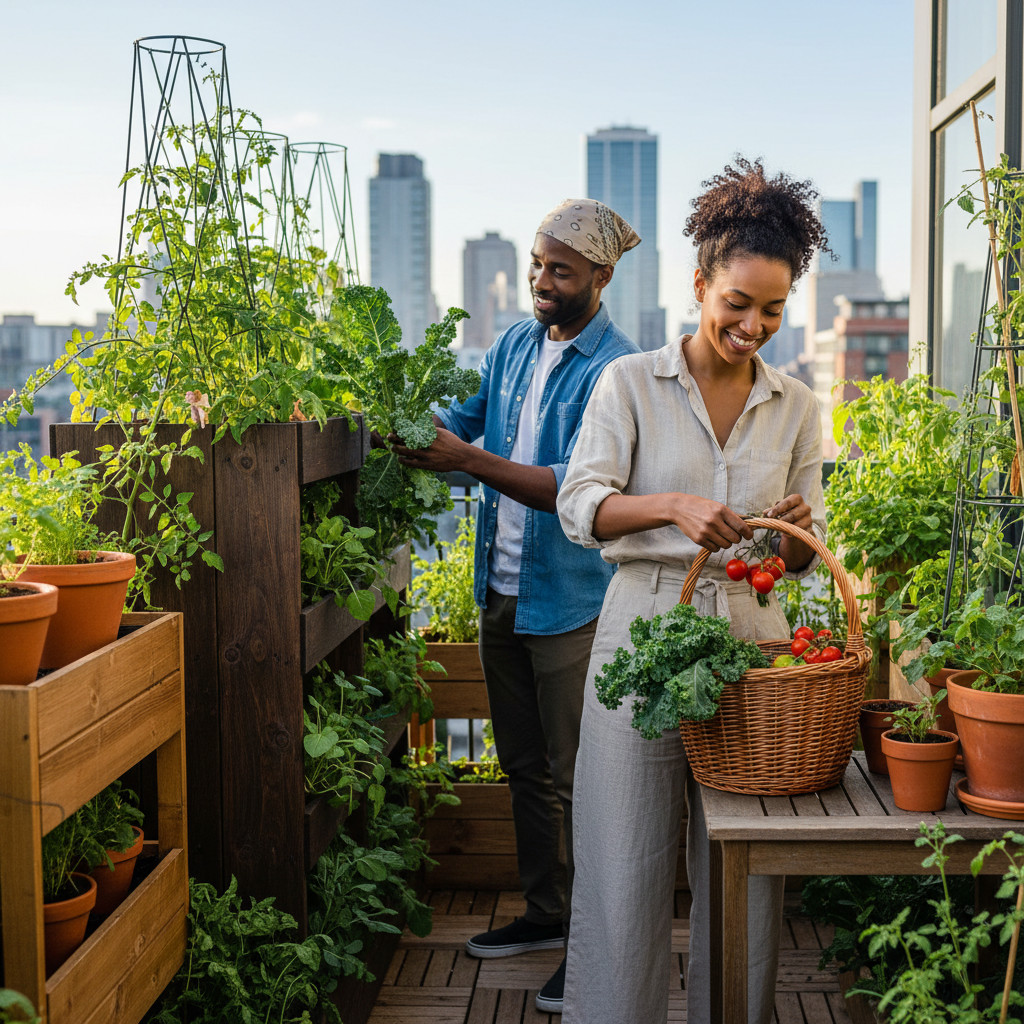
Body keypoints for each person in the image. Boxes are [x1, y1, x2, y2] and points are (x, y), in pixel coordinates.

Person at [555, 158, 830, 1024]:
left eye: (775, 310)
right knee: (624, 861)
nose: (755, 325)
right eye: (738, 303)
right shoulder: (629, 383)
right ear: (701, 281)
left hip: (752, 641)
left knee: (742, 869)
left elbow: (807, 551)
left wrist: (791, 536)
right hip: (642, 632)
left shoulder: (797, 406)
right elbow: (579, 505)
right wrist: (672, 505)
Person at [392, 198, 642, 1013]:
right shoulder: (510, 347)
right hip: (498, 595)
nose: (541, 280)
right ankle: (544, 915)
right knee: (526, 772)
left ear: (600, 278)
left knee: (581, 783)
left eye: (559, 270)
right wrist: (389, 420)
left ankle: (591, 951)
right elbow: (458, 424)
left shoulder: (617, 371)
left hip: (569, 607)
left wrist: (465, 457)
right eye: (538, 264)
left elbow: (576, 491)